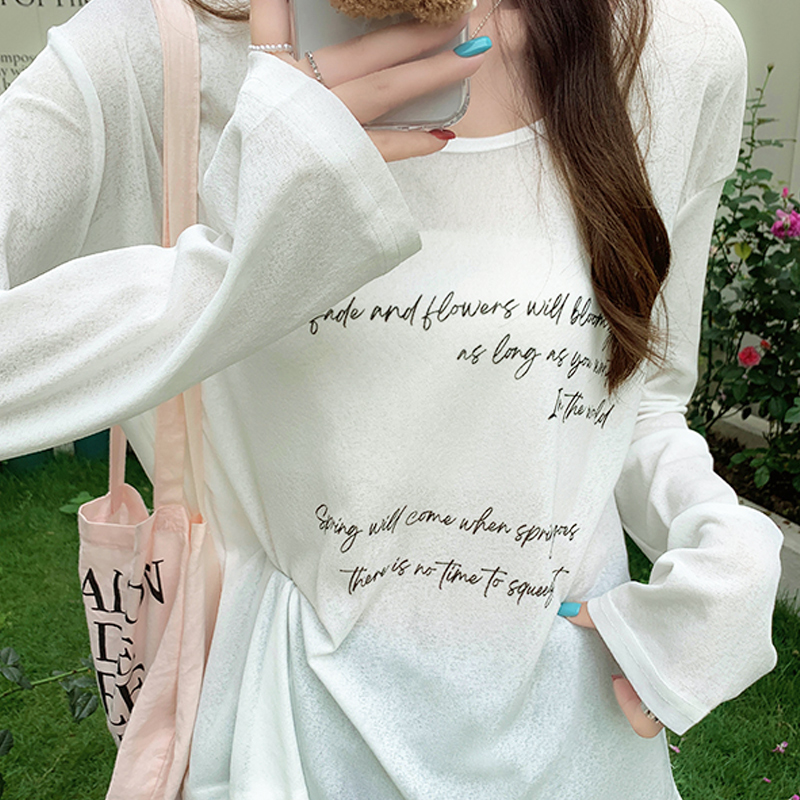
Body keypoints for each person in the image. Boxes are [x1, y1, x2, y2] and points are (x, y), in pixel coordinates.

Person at [0, 0, 783, 796]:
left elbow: (636, 401)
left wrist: (721, 538)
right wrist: (244, 261)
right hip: (296, 744)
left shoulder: (674, 49)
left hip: (572, 737)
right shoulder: (151, 52)